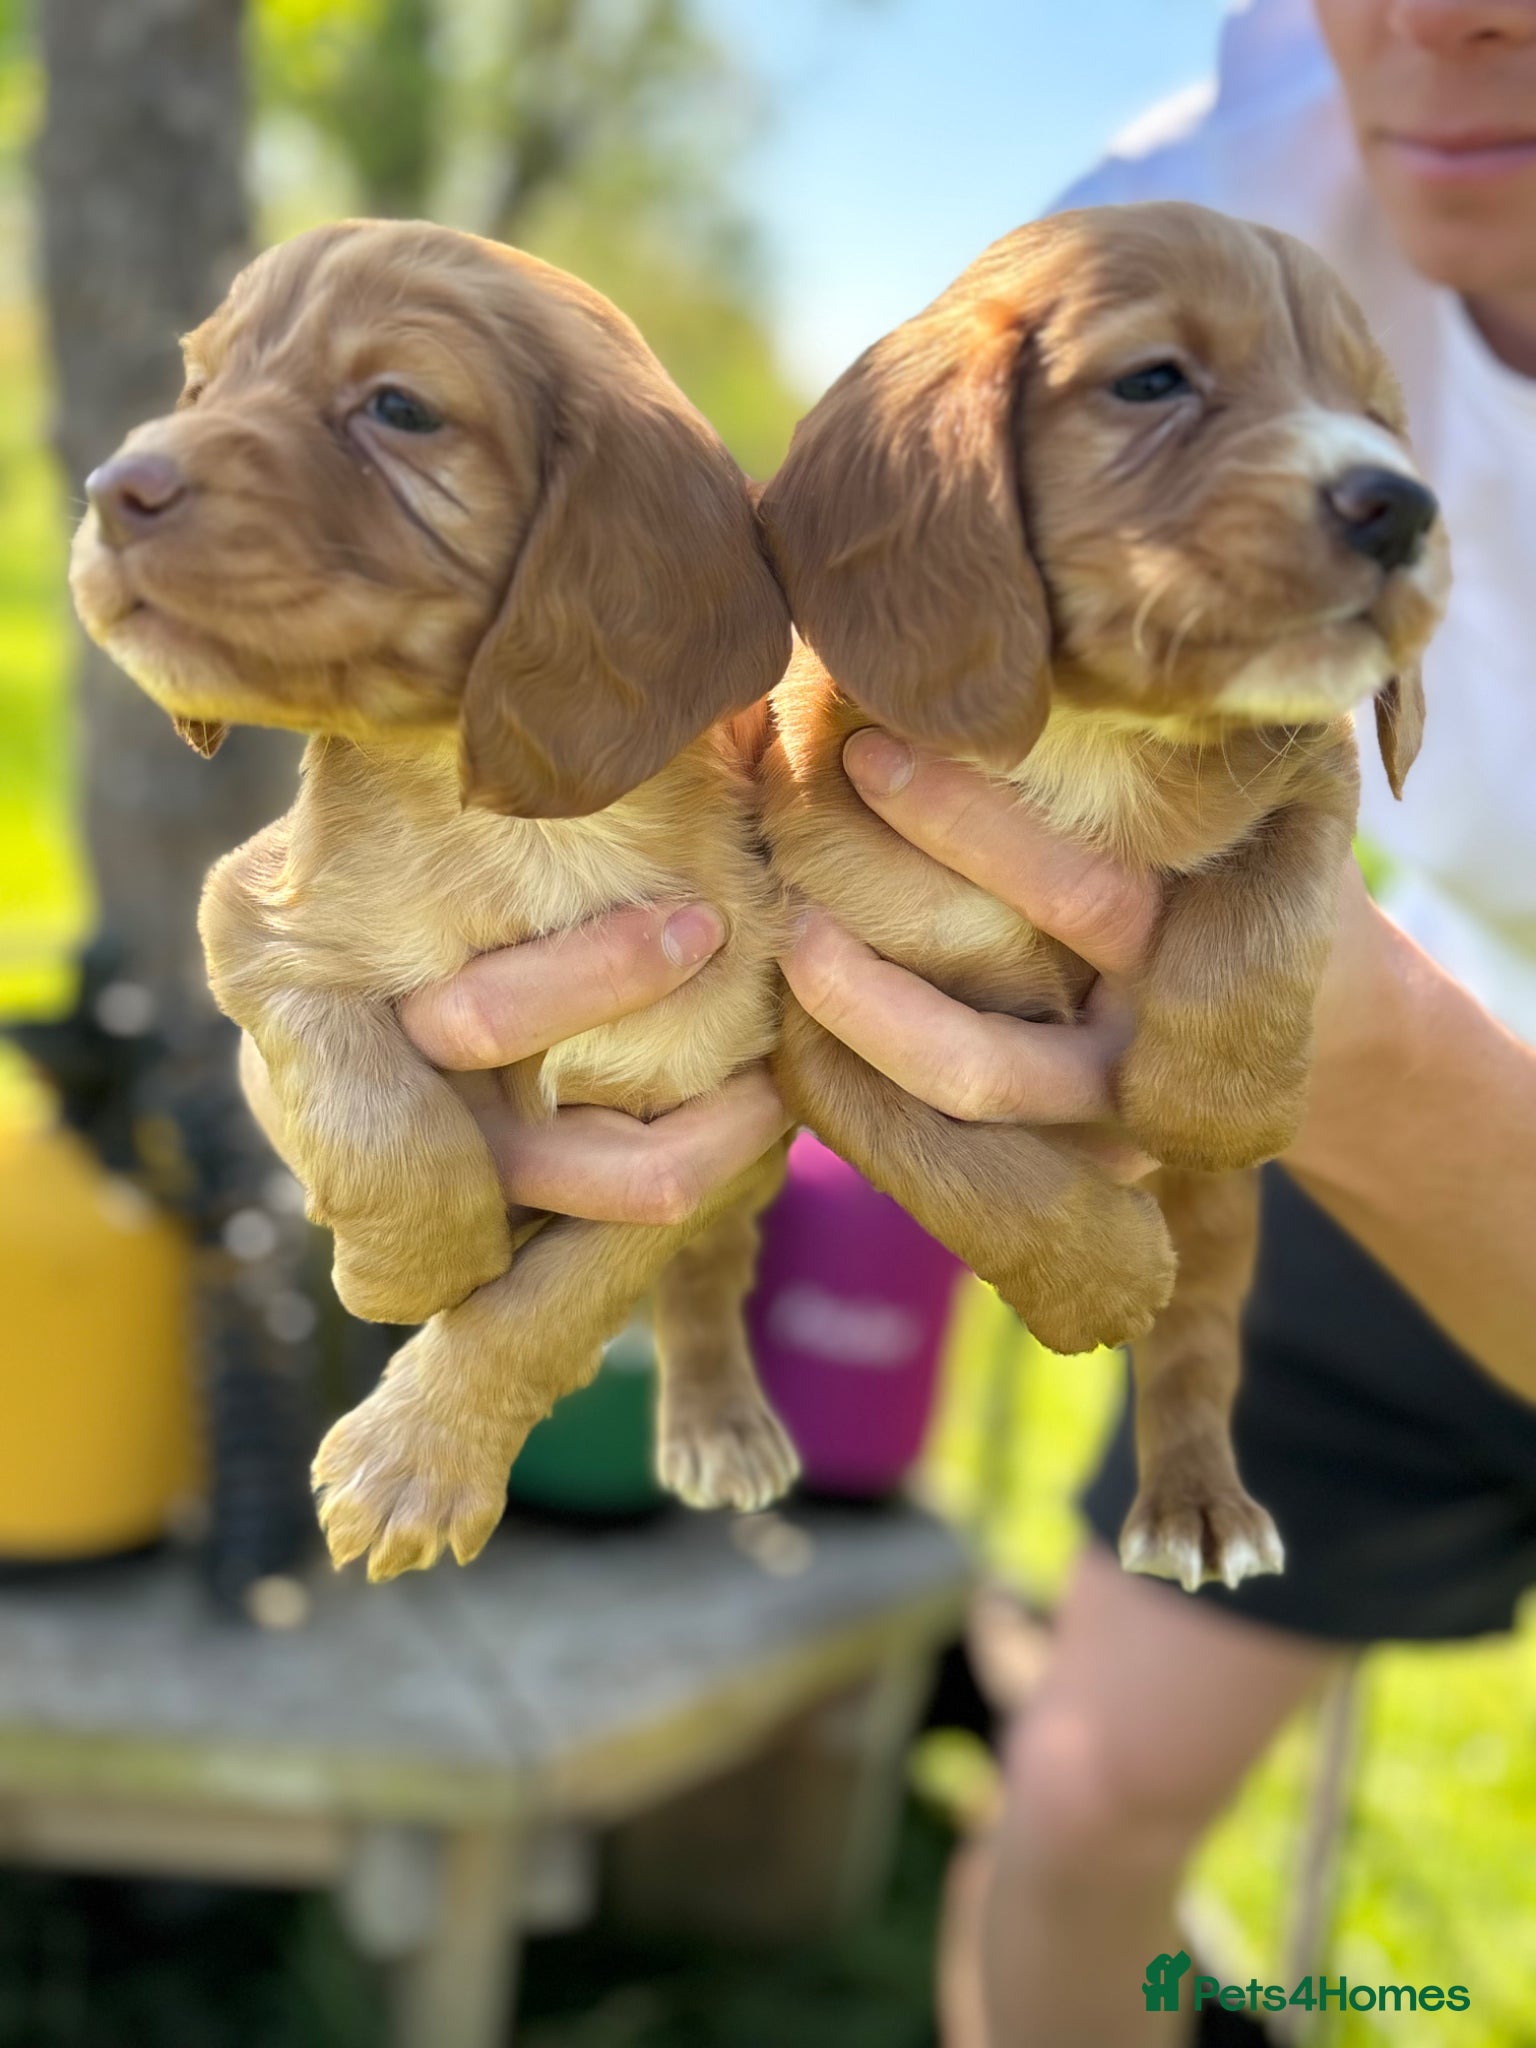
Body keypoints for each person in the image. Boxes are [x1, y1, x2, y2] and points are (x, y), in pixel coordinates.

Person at [391, 3, 1536, 2040]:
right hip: (1404, 1096)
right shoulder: (1212, 208)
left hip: (1408, 1069)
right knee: (1086, 1815)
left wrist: (1348, 1060)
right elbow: (852, 613)